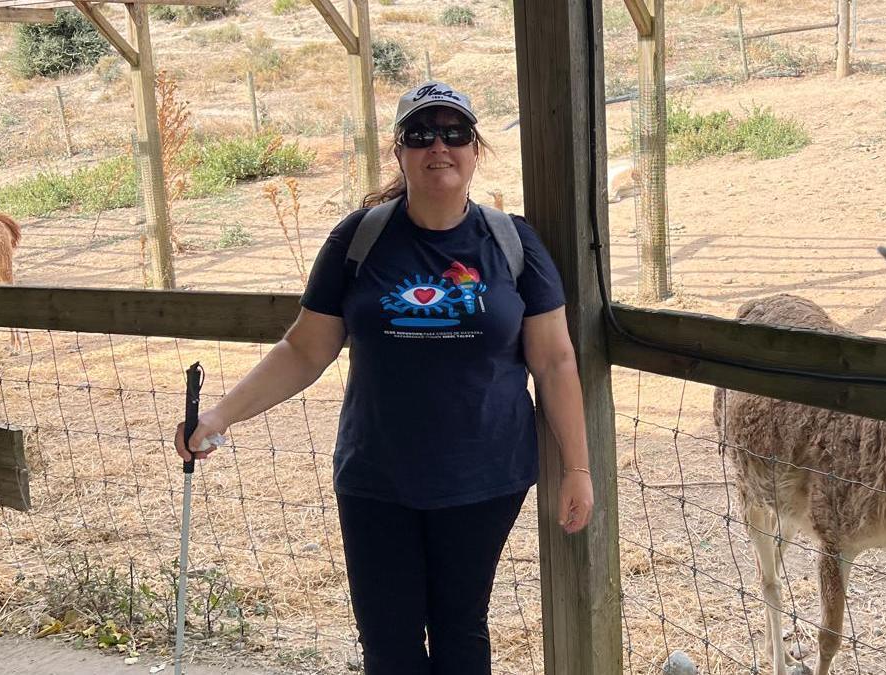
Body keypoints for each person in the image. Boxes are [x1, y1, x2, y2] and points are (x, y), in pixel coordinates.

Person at [176, 81, 594, 675]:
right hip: (378, 479)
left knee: (461, 632)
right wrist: (219, 415)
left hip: (483, 478)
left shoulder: (511, 242)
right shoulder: (359, 238)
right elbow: (304, 349)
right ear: (399, 152)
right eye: (421, 134)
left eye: (454, 134)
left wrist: (577, 469)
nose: (438, 147)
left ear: (476, 150)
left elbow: (554, 361)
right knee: (389, 646)